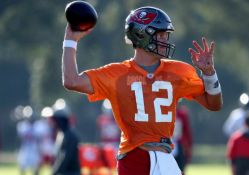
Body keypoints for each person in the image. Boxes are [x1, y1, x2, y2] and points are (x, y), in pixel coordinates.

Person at [61, 6, 222, 175]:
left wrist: (209, 74)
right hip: (134, 157)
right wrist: (70, 40)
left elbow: (214, 104)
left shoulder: (179, 71)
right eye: (160, 34)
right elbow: (72, 81)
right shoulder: (117, 73)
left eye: (166, 35)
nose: (165, 40)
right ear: (141, 35)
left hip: (166, 157)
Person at [50, 108, 81, 175]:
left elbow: (65, 157)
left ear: (60, 120)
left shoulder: (70, 136)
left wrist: (55, 171)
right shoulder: (62, 134)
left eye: (55, 120)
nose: (53, 123)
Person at [16, 105, 41, 175]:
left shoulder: (38, 125)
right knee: (22, 167)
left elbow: (39, 138)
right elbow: (21, 138)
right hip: (25, 149)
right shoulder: (22, 125)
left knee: (36, 168)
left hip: (34, 149)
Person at [172, 104, 193, 173]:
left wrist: (188, 148)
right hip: (165, 145)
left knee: (180, 170)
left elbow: (187, 132)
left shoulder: (181, 114)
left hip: (179, 145)